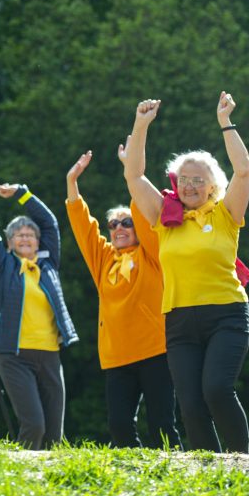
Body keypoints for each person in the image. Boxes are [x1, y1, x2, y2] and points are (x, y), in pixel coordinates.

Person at [121, 93, 249, 453]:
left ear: (213, 185)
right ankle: (209, 469)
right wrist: (141, 124)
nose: (190, 186)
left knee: (216, 390)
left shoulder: (226, 214)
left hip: (226, 313)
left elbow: (244, 170)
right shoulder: (165, 216)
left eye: (198, 180)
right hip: (179, 319)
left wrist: (226, 122)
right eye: (184, 180)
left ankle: (242, 461)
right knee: (191, 403)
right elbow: (134, 175)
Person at [0, 163, 78, 449]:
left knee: (55, 436)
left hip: (50, 356)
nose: (24, 237)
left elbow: (50, 223)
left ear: (38, 243)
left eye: (30, 234)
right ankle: (19, 481)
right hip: (14, 355)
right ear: (9, 243)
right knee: (34, 425)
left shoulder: (49, 265)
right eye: (17, 234)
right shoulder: (2, 265)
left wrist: (21, 193)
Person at [65, 150, 181, 449]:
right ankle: (137, 480)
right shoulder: (105, 259)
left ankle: (177, 478)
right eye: (113, 225)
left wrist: (132, 172)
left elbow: (144, 214)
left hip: (156, 350)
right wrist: (72, 182)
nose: (118, 228)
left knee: (162, 426)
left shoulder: (153, 255)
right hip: (117, 355)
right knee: (118, 425)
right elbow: (84, 228)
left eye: (125, 223)